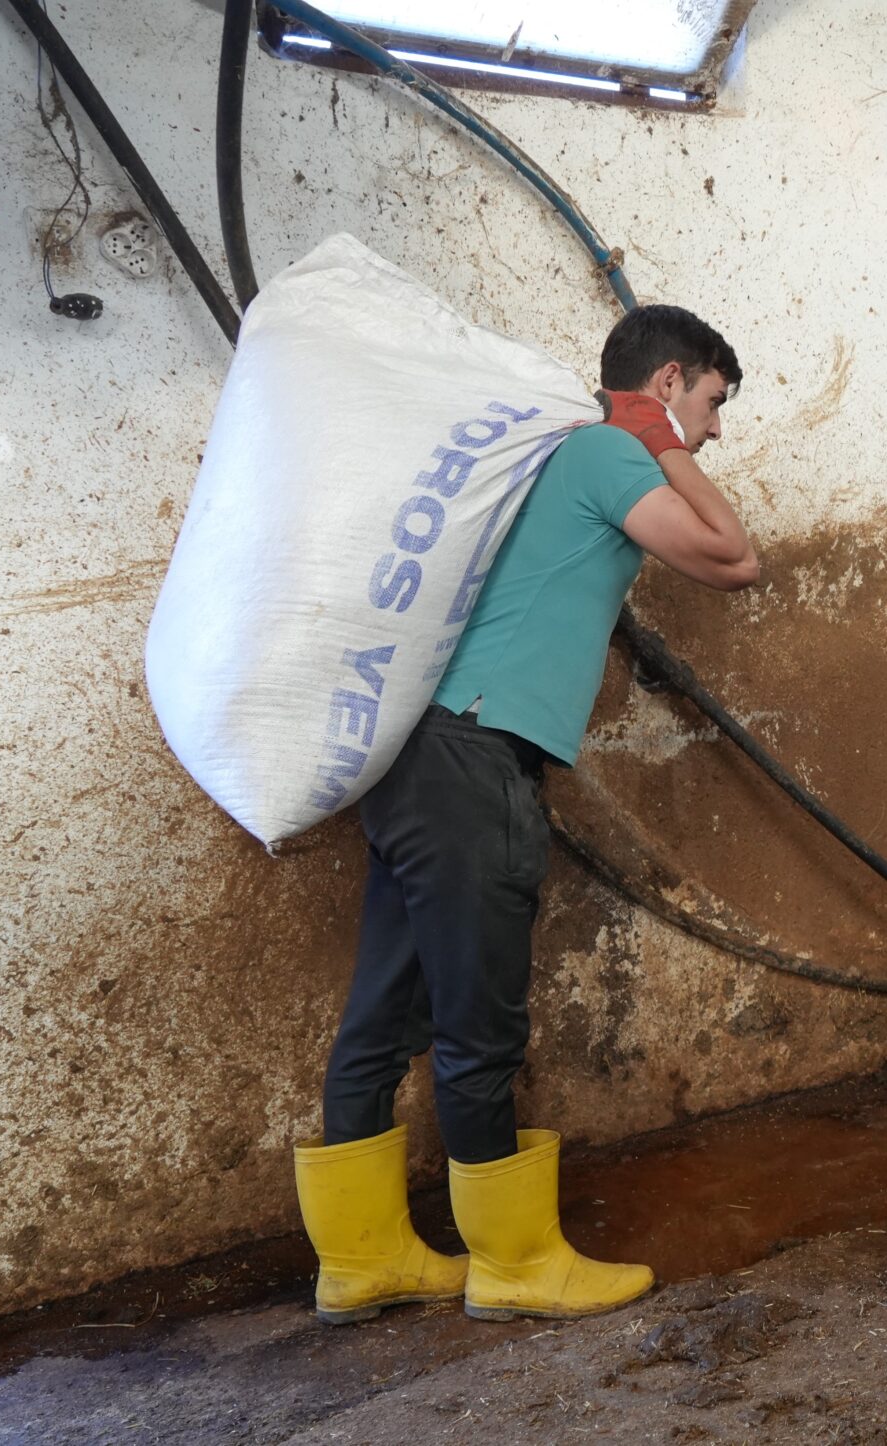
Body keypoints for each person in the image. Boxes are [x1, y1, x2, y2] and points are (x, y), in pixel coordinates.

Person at [289, 304, 761, 1324]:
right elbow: (732, 556)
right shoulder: (599, 449)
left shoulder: (558, 453)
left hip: (420, 753)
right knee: (479, 1027)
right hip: (474, 755)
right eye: (713, 404)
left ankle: (360, 1259)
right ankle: (513, 1264)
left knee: (384, 1011)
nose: (716, 430)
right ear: (671, 380)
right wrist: (655, 438)